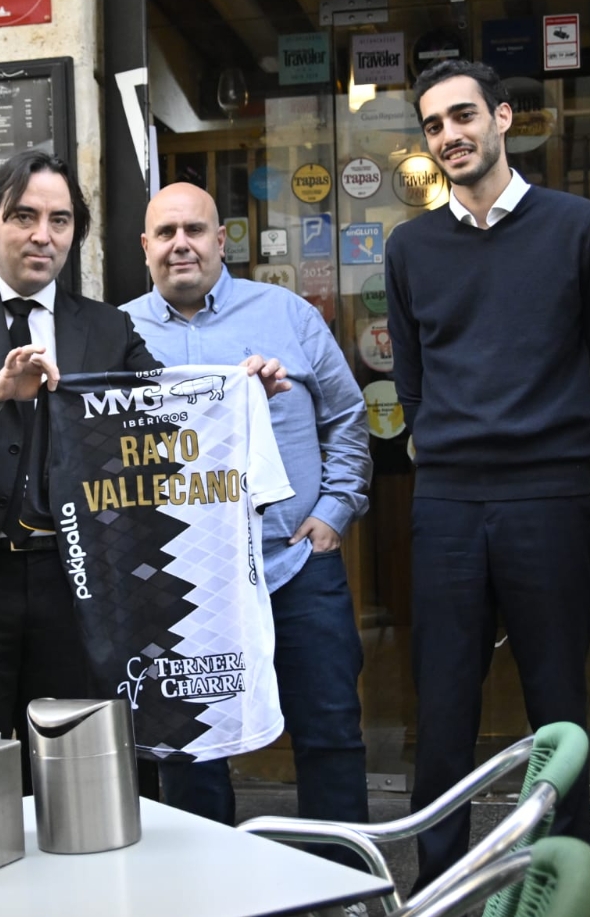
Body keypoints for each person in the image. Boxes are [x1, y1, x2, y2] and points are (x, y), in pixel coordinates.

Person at [0, 151, 287, 781]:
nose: (44, 234)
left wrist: (239, 393)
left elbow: (167, 411)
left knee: (70, 778)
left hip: (78, 587)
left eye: (60, 220)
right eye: (25, 217)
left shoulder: (105, 324)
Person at [385, 60, 590, 888]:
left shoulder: (579, 227)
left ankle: (556, 885)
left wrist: (553, 445)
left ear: (502, 117)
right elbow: (413, 383)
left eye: (464, 116)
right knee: (444, 705)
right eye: (434, 125)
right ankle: (441, 886)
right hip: (450, 500)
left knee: (558, 708)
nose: (451, 135)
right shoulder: (412, 245)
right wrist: (457, 445)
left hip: (551, 493)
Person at [121, 182, 372, 842]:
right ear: (144, 246)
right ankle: (210, 893)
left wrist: (337, 508)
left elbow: (347, 415)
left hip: (295, 562)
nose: (181, 243)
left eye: (195, 230)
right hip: (183, 583)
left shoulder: (286, 314)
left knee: (329, 729)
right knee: (193, 753)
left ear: (221, 238)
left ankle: (340, 889)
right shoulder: (116, 334)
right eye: (166, 232)